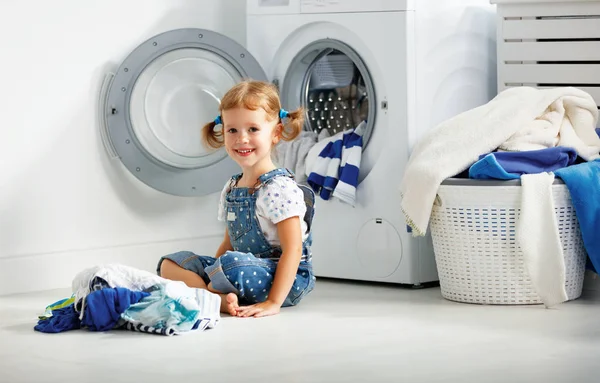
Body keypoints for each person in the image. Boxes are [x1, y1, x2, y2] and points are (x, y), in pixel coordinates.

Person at [157, 80, 316, 318]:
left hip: (281, 278)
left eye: (253, 129)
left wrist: (273, 302)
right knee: (170, 264)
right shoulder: (232, 187)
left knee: (232, 265)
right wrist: (210, 270)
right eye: (233, 130)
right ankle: (214, 298)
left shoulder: (279, 188)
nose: (241, 139)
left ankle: (208, 294)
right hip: (239, 267)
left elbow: (292, 250)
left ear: (276, 133)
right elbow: (228, 244)